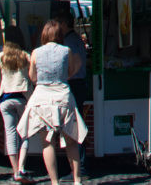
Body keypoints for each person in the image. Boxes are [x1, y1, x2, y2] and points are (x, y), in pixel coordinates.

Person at [18, 19, 87, 185]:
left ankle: (54, 182)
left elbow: (33, 77)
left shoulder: (35, 53)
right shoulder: (66, 51)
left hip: (42, 98)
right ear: (59, 35)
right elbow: (70, 72)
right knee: (71, 141)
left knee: (47, 143)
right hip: (63, 96)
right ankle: (77, 180)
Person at [0, 26, 32, 183]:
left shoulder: (0, 57)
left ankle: (15, 171)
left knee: (10, 134)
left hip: (5, 98)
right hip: (22, 97)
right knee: (24, 133)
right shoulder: (26, 56)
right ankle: (22, 167)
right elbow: (32, 77)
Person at [55, 9, 89, 176]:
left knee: (74, 128)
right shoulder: (75, 39)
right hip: (80, 84)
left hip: (74, 85)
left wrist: (65, 76)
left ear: (63, 24)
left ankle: (79, 168)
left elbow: (73, 66)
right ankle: (78, 166)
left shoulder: (69, 42)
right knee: (75, 126)